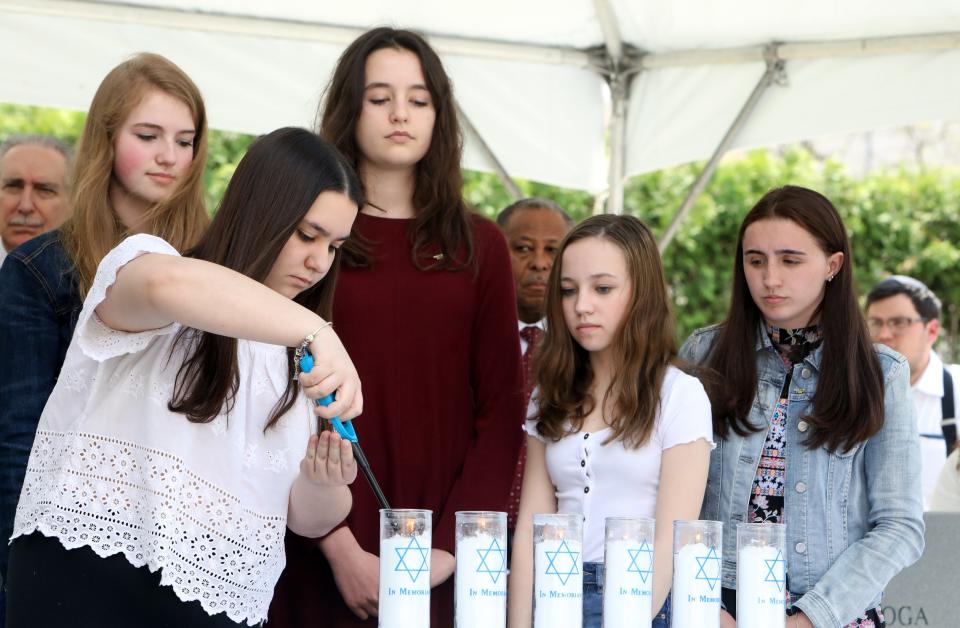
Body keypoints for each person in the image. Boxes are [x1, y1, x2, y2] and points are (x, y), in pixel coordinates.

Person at [6, 127, 364, 627]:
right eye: (307, 235)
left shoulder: (296, 359)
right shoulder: (156, 265)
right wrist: (316, 330)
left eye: (335, 247)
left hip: (216, 602)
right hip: (91, 574)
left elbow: (305, 519)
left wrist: (323, 483)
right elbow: (164, 285)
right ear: (260, 210)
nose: (318, 262)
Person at [268, 27, 525, 628]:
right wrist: (336, 544)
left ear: (440, 113)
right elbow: (270, 391)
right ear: (349, 108)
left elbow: (502, 406)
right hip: (316, 524)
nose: (400, 114)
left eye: (419, 98)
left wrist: (449, 548)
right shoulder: (307, 237)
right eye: (380, 97)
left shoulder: (480, 244)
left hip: (443, 539)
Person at [0, 52, 209, 615]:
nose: (170, 156)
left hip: (185, 548)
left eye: (186, 140)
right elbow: (21, 439)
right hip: (68, 547)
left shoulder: (216, 266)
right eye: (149, 135)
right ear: (106, 138)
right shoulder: (38, 268)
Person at [680, 185, 924, 628]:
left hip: (830, 611)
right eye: (756, 260)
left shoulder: (881, 372)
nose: (770, 278)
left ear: (833, 265)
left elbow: (900, 527)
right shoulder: (704, 353)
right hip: (711, 606)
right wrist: (703, 607)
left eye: (790, 260)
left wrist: (809, 619)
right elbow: (666, 498)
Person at [508, 214, 713, 628]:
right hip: (553, 594)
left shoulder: (679, 395)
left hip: (641, 601)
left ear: (641, 292)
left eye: (602, 288)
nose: (582, 305)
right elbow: (532, 528)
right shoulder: (548, 394)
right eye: (568, 290)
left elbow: (671, 542)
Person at [495, 197, 573, 544]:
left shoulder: (587, 349)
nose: (540, 264)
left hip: (560, 538)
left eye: (553, 251)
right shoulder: (467, 339)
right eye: (523, 248)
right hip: (477, 526)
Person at [865, 275, 960, 509]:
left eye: (899, 322)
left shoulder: (957, 390)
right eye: (875, 322)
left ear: (932, 330)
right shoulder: (850, 394)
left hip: (945, 540)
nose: (884, 334)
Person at [0, 135, 72, 266]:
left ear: (72, 204)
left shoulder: (100, 278)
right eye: (13, 187)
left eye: (45, 190)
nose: (25, 206)